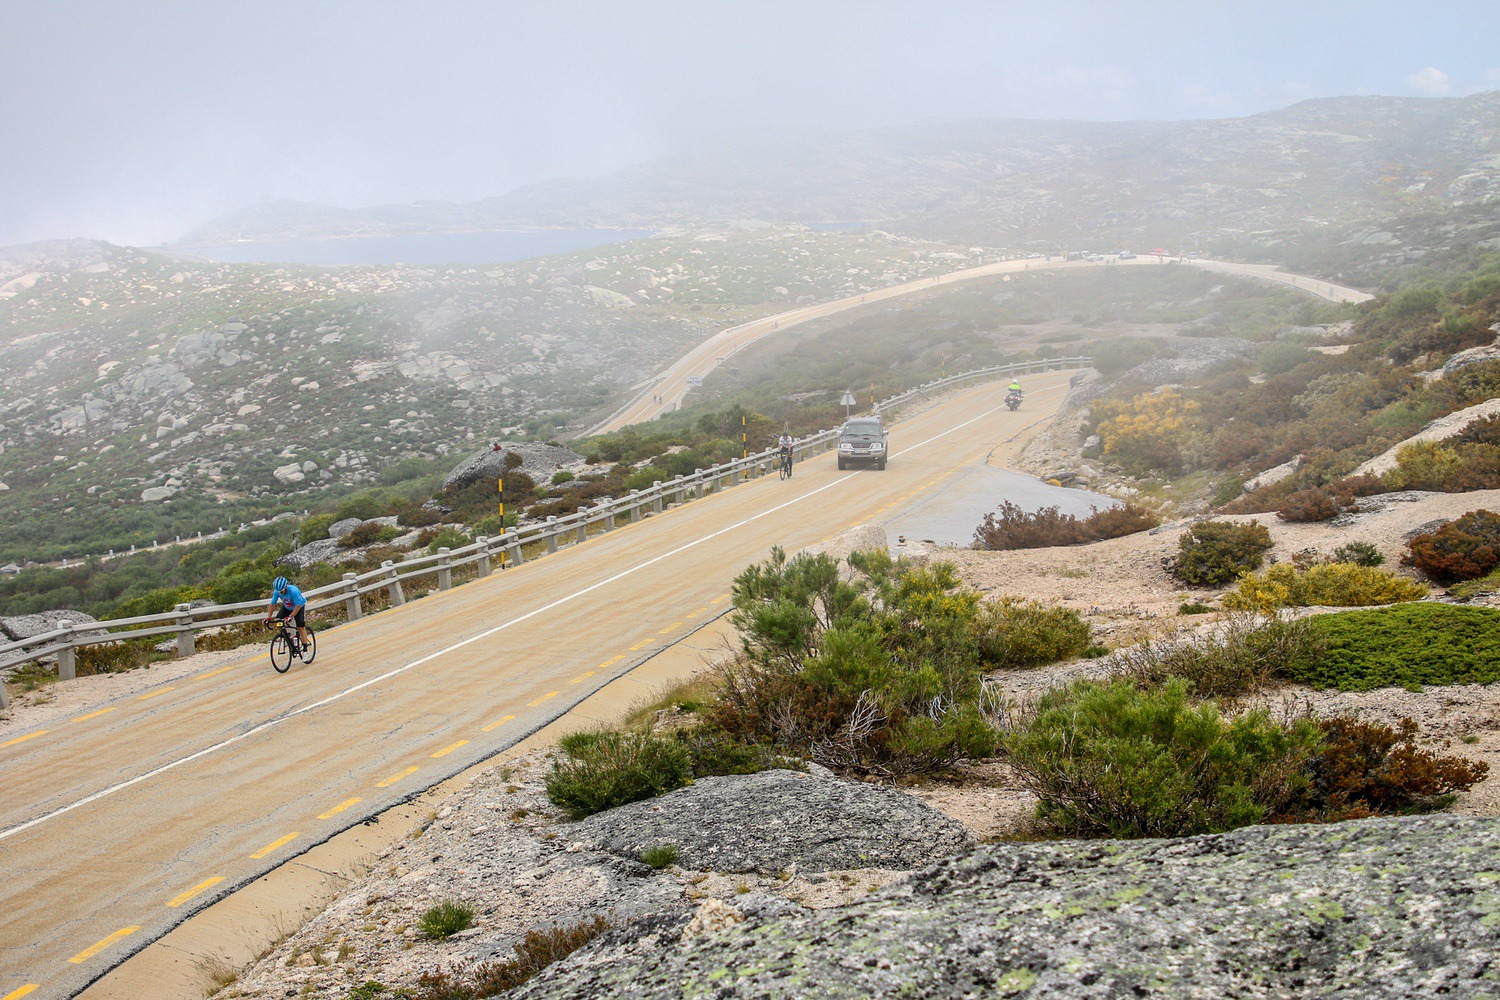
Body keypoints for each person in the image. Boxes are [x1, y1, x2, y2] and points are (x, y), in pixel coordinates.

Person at [264, 576, 310, 654]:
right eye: (279, 592)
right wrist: (268, 618)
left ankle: (305, 649)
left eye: (282, 591)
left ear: (285, 587)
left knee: (300, 627)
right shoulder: (276, 592)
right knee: (278, 621)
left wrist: (291, 616)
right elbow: (272, 605)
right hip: (287, 607)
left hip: (299, 607)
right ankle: (290, 636)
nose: (280, 593)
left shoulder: (294, 591)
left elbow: (298, 606)